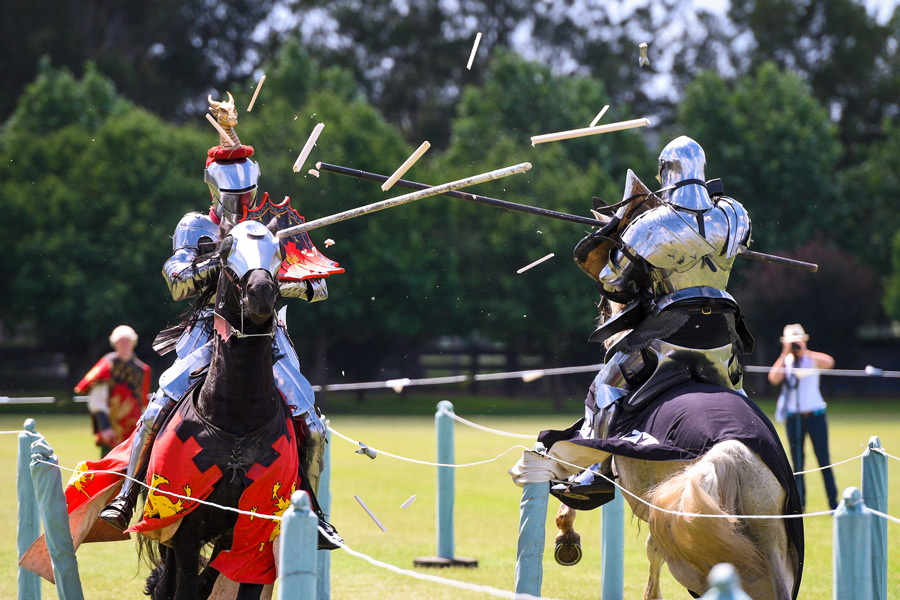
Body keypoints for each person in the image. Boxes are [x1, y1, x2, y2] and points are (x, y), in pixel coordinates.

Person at [98, 94, 343, 547]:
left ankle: (314, 510)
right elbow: (177, 282)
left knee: (311, 421)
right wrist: (224, 262)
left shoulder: (276, 222)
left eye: (246, 193)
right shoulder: (196, 226)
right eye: (234, 194)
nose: (242, 201)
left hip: (268, 332)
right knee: (157, 405)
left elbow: (318, 283)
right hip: (209, 332)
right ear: (215, 189)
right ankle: (128, 495)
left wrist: (265, 282)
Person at [510, 136, 755, 504]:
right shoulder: (734, 213)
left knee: (607, 388)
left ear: (665, 173)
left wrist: (613, 237)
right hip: (723, 331)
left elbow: (612, 280)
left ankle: (599, 468)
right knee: (738, 396)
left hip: (671, 331)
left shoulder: (651, 224)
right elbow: (734, 245)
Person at [768, 323, 838, 510]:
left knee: (823, 460)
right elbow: (773, 378)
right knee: (797, 463)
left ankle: (833, 503)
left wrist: (805, 352)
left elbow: (830, 363)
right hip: (794, 418)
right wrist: (785, 354)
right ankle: (800, 505)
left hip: (815, 415)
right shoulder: (786, 362)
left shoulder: (811, 359)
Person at [74, 325, 151, 457]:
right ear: (114, 343)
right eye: (121, 341)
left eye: (127, 341)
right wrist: (105, 428)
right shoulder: (106, 366)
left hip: (135, 432)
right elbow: (97, 401)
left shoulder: (142, 370)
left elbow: (143, 402)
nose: (124, 344)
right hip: (111, 431)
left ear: (133, 343)